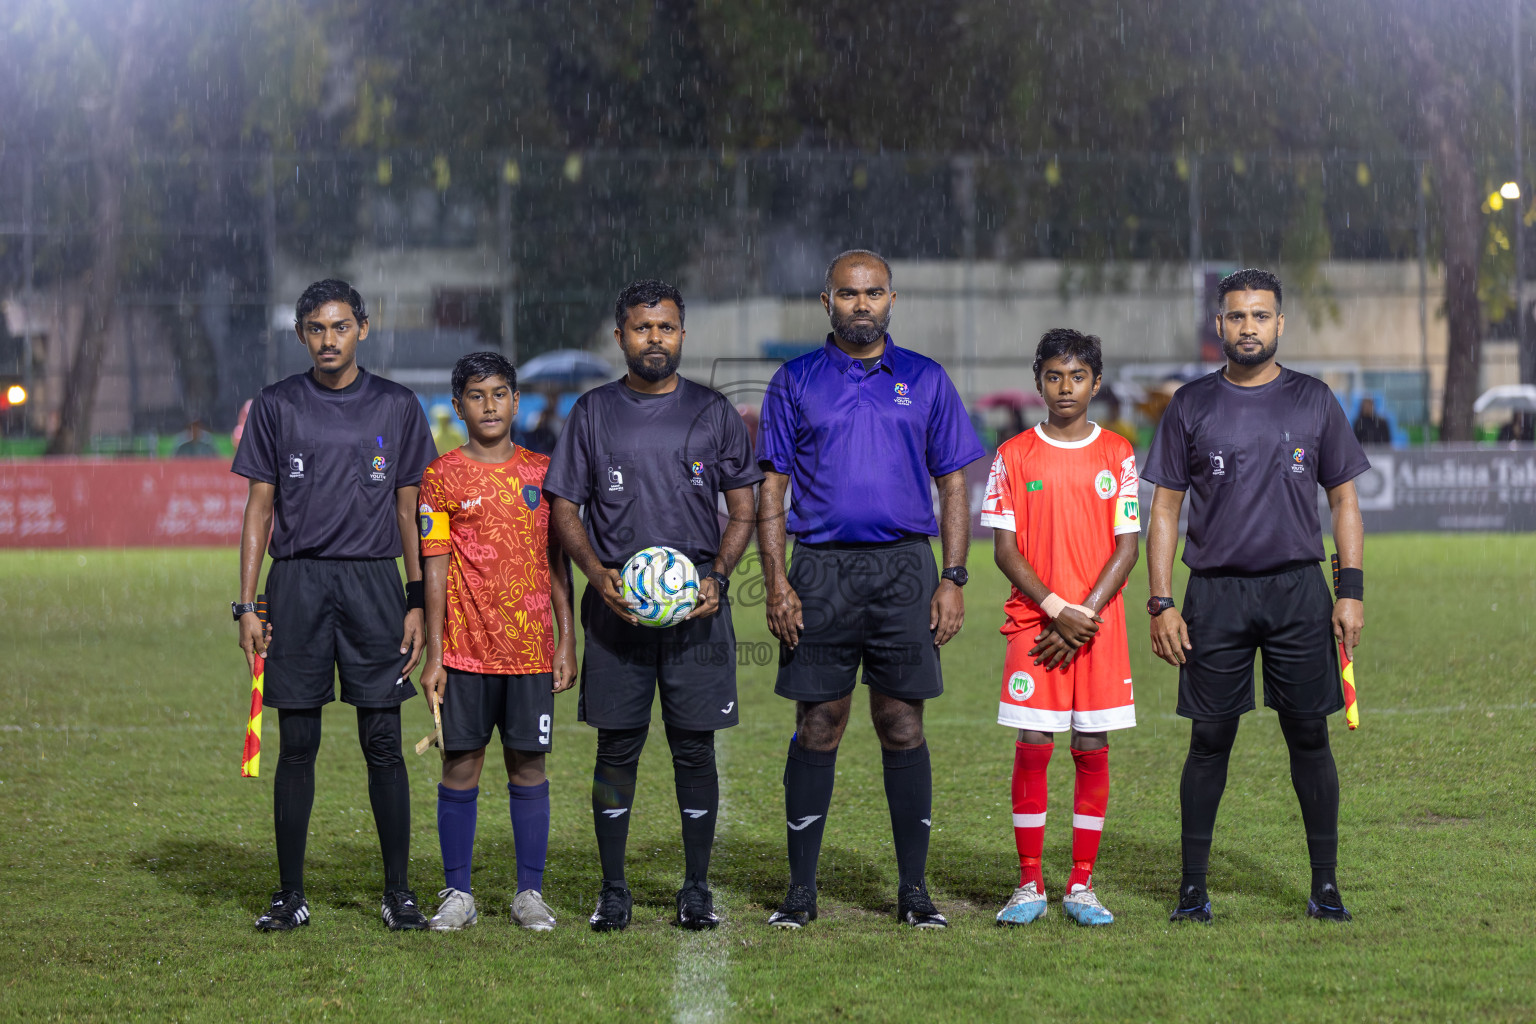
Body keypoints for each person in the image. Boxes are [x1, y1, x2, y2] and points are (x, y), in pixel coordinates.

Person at [756, 249, 987, 930]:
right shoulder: (794, 380)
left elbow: (953, 483)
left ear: (893, 299)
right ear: (825, 301)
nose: (862, 305)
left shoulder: (926, 378)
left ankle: (914, 892)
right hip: (821, 570)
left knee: (902, 723)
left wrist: (952, 576)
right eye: (849, 294)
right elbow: (772, 485)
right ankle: (801, 893)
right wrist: (775, 581)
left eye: (874, 293)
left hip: (905, 570)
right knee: (819, 724)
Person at [1142, 268, 1368, 925]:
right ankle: (1192, 889)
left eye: (1260, 316)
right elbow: (1165, 511)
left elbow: (1345, 499)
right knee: (1209, 739)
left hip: (1299, 590)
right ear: (1220, 326)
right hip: (1215, 593)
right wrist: (1161, 602)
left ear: (1279, 324)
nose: (1248, 327)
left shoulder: (1314, 400)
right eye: (1237, 317)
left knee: (1309, 735)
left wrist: (1348, 593)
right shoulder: (1190, 405)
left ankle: (1325, 885)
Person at [544, 279, 761, 932]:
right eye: (642, 328)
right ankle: (614, 889)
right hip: (617, 614)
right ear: (621, 338)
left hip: (696, 610)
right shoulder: (592, 413)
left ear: (682, 334)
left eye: (666, 327)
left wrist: (719, 576)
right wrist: (595, 572)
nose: (655, 339)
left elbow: (743, 508)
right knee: (617, 750)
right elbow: (563, 506)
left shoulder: (713, 412)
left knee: (694, 750)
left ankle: (696, 887)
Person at [232, 279, 438, 931]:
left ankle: (399, 892)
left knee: (382, 739)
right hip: (296, 585)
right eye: (317, 328)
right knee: (298, 743)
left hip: (376, 586)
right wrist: (245, 605)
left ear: (363, 329)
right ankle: (290, 895)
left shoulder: (398, 406)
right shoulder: (275, 405)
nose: (329, 339)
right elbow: (258, 509)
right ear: (301, 335)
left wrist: (416, 599)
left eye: (340, 326)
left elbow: (410, 509)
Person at [980, 329, 1140, 928]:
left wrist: (1084, 614)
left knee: (1092, 745)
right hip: (1035, 621)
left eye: (1077, 376)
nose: (1065, 387)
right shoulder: (1014, 454)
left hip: (1097, 625)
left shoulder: (1118, 453)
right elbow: (1004, 549)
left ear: (1095, 383)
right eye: (1053, 376)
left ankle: (1081, 884)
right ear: (1038, 381)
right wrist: (1056, 608)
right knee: (1034, 744)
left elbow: (1128, 546)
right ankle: (1028, 884)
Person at [416, 352, 578, 932]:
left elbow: (559, 563)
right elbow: (435, 567)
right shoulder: (440, 478)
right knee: (460, 768)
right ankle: (457, 893)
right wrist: (436, 656)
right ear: (458, 406)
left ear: (516, 401)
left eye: (500, 393)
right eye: (477, 395)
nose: (490, 405)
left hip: (531, 651)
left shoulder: (545, 472)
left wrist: (567, 639)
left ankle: (529, 893)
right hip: (463, 652)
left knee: (528, 769)